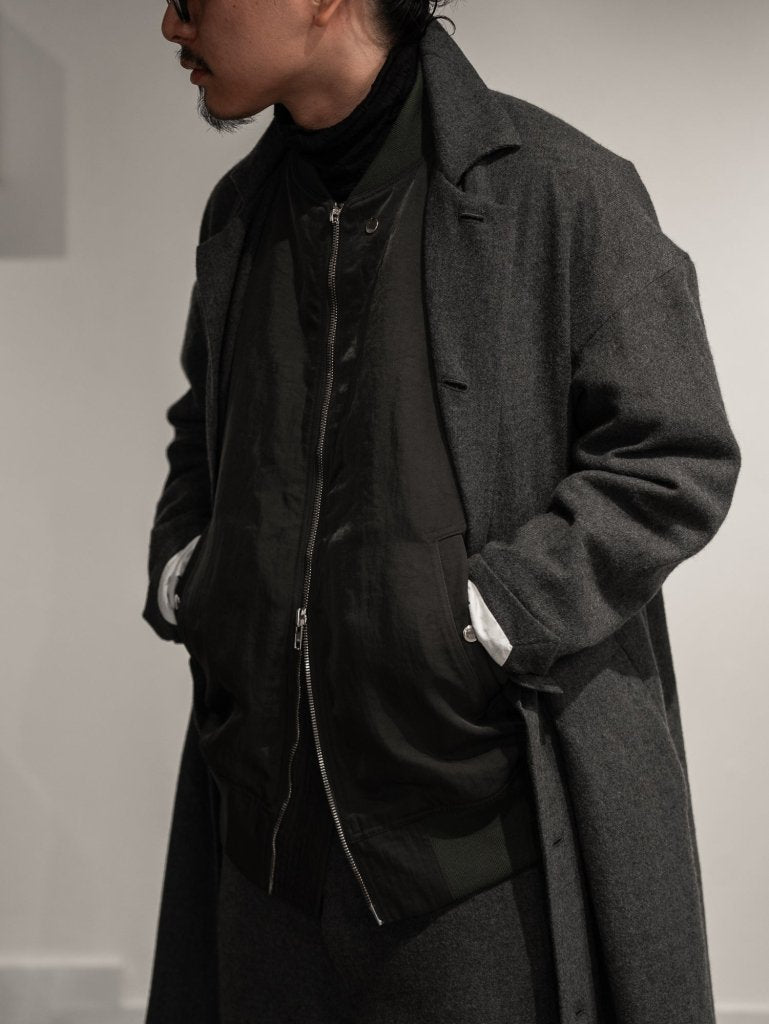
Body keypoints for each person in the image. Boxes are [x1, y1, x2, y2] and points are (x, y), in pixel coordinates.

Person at [141, 1, 742, 1022]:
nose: (170, 24)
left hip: (474, 844)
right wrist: (191, 575)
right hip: (263, 841)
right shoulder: (238, 213)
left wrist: (494, 613)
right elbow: (205, 428)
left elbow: (673, 454)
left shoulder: (560, 189)